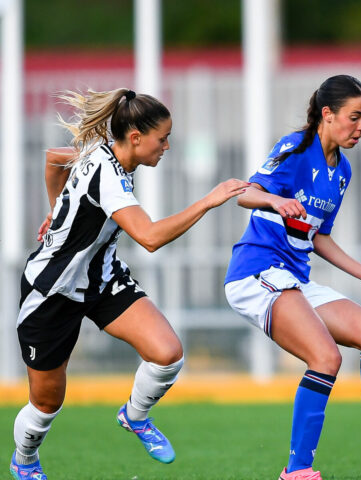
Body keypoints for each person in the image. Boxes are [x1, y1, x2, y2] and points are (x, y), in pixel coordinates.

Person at [9, 88, 249, 480]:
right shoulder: (109, 174)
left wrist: (56, 209)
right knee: (47, 403)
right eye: (163, 138)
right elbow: (150, 237)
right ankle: (25, 459)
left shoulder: (106, 154)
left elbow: (55, 160)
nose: (167, 146)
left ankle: (135, 416)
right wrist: (209, 200)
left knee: (167, 353)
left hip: (100, 280)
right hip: (52, 290)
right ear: (135, 137)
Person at [224, 75, 361, 480]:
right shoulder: (296, 148)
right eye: (354, 118)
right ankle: (296, 471)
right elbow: (244, 194)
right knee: (326, 358)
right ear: (327, 114)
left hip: (293, 278)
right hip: (256, 272)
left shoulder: (341, 169)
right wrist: (274, 198)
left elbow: (319, 236)